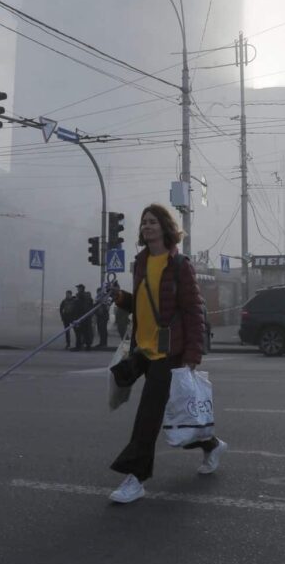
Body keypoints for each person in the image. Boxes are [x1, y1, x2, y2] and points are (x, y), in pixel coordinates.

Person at [107, 203, 226, 504]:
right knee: (178, 415)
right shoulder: (140, 262)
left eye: (153, 222)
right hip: (143, 349)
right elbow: (144, 304)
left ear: (165, 227)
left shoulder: (179, 264)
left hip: (169, 353)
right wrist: (120, 298)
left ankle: (135, 479)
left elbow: (193, 311)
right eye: (144, 222)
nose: (147, 227)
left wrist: (192, 355)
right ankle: (211, 445)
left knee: (148, 416)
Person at [77, 285, 95, 350]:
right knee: (85, 331)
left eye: (78, 288)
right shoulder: (87, 297)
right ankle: (86, 345)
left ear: (81, 289)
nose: (77, 289)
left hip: (83, 316)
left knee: (82, 331)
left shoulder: (82, 296)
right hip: (86, 316)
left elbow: (80, 306)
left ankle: (82, 346)